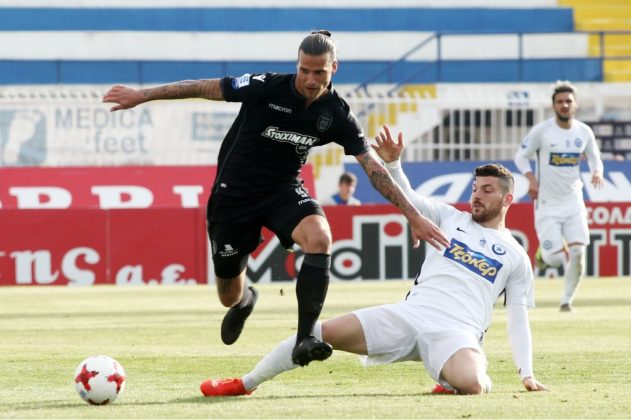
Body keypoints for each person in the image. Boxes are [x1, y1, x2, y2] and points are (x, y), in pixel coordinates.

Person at [103, 31, 449, 367]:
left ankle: (305, 338)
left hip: (283, 190)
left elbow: (372, 167)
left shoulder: (337, 114)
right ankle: (246, 300)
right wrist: (142, 95)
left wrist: (412, 215)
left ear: (334, 68)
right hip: (234, 196)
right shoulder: (266, 86)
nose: (310, 80)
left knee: (320, 237)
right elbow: (204, 87)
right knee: (228, 295)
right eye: (304, 70)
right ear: (296, 64)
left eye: (319, 72)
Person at [200, 125, 548, 397]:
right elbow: (408, 198)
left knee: (474, 385)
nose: (477, 196)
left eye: (487, 190)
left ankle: (455, 376)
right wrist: (393, 163)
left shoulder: (515, 255)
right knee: (317, 332)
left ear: (507, 199)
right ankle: (245, 383)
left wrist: (527, 374)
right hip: (410, 315)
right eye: (475, 188)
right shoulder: (449, 217)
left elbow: (518, 317)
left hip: (457, 331)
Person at [514, 81, 604, 312]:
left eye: (568, 101)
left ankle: (566, 301)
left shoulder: (583, 131)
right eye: (560, 102)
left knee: (578, 252)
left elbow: (595, 157)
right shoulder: (542, 131)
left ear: (575, 105)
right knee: (555, 259)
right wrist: (531, 178)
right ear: (553, 105)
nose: (564, 105)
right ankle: (543, 257)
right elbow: (520, 157)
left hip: (573, 201)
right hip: (547, 203)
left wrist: (597, 171)